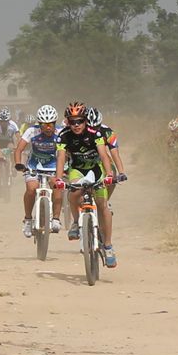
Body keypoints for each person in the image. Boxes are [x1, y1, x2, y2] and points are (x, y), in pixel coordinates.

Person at [56, 101, 118, 267]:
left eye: (80, 121)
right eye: (72, 122)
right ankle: (76, 222)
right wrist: (58, 179)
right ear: (68, 122)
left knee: (103, 205)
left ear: (85, 121)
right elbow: (61, 158)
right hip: (77, 170)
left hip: (96, 169)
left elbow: (104, 156)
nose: (76, 125)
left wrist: (109, 174)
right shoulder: (63, 135)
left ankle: (108, 246)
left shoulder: (95, 133)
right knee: (73, 193)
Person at [14, 104, 63, 236]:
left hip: (53, 166)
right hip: (34, 165)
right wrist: (18, 163)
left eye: (51, 124)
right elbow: (19, 150)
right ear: (39, 124)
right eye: (44, 124)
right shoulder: (31, 131)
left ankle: (56, 218)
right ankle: (28, 219)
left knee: (57, 187)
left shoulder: (61, 132)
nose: (48, 127)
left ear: (55, 123)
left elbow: (64, 153)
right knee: (31, 189)